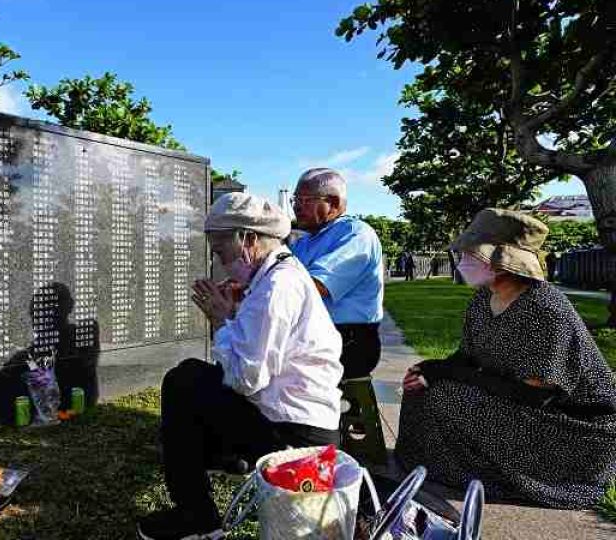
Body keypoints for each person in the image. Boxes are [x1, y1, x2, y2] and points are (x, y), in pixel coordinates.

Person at [137, 193, 343, 540]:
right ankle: (224, 461)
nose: (220, 263)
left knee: (184, 381)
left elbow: (247, 377)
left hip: (296, 438)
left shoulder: (276, 288)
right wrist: (233, 315)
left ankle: (197, 517)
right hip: (291, 421)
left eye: (221, 252)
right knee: (194, 378)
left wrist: (220, 320)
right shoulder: (275, 277)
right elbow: (259, 355)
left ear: (248, 240)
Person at [396, 208, 616, 509]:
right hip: (523, 404)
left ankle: (506, 474)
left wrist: (446, 373)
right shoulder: (482, 300)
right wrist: (427, 369)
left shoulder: (546, 310)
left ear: (501, 263)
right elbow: (467, 357)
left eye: (471, 255)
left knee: (451, 396)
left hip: (577, 426)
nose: (463, 262)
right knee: (422, 392)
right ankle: (452, 466)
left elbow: (533, 393)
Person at [289, 168, 384, 379]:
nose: (296, 207)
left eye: (304, 200)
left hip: (348, 341)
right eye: (295, 200)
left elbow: (317, 286)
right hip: (313, 335)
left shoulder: (355, 234)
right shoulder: (304, 242)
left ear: (333, 203)